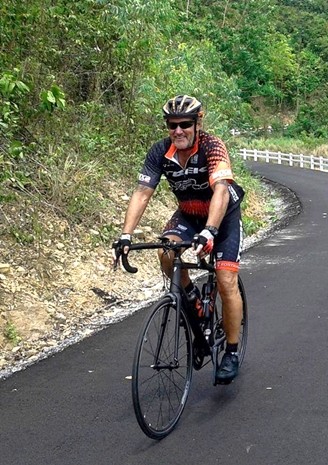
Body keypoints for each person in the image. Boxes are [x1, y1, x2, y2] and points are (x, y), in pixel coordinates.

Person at [112, 95, 245, 384]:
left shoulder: (212, 146)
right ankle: (192, 301)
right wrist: (125, 235)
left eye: (185, 124)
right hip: (188, 213)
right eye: (172, 125)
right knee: (166, 251)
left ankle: (232, 351)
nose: (178, 131)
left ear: (198, 122)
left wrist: (210, 230)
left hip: (222, 215)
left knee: (225, 279)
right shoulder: (160, 151)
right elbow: (143, 192)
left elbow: (221, 190)